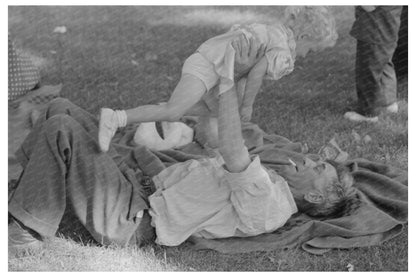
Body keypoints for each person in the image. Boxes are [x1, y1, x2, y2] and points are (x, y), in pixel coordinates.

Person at [8, 37, 352, 252]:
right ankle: (26, 192)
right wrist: (227, 78)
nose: (308, 161)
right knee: (60, 107)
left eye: (318, 168)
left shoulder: (270, 203)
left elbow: (233, 149)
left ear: (318, 197)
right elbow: (214, 134)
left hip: (130, 218)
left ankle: (25, 230)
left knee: (61, 127)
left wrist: (230, 74)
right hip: (134, 187)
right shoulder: (272, 182)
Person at [98, 6, 338, 152]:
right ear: (304, 35)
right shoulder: (283, 49)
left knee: (215, 111)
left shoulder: (274, 30)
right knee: (174, 111)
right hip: (208, 66)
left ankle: (163, 112)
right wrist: (248, 105)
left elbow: (245, 65)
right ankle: (117, 117)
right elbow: (255, 74)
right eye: (312, 49)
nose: (308, 55)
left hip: (215, 68)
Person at [344, 6, 403, 123]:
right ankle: (389, 103)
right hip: (388, 29)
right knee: (385, 65)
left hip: (373, 31)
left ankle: (367, 113)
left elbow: (369, 6)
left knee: (367, 71)